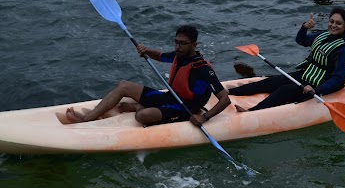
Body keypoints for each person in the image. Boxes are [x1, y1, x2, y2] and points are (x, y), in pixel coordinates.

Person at [65, 25, 231, 126]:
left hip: (185, 109)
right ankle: (86, 119)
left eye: (183, 43)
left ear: (194, 44)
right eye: (176, 42)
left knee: (143, 116)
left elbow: (225, 99)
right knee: (123, 85)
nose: (178, 46)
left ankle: (138, 107)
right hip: (169, 98)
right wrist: (146, 50)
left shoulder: (203, 69)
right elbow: (159, 56)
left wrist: (205, 117)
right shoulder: (178, 55)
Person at [231, 7, 345, 112]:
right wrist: (304, 28)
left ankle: (252, 111)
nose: (333, 25)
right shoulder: (324, 35)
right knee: (273, 81)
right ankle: (229, 92)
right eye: (331, 21)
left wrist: (316, 90)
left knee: (285, 90)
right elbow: (301, 40)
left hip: (321, 85)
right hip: (307, 74)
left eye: (338, 23)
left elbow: (337, 79)